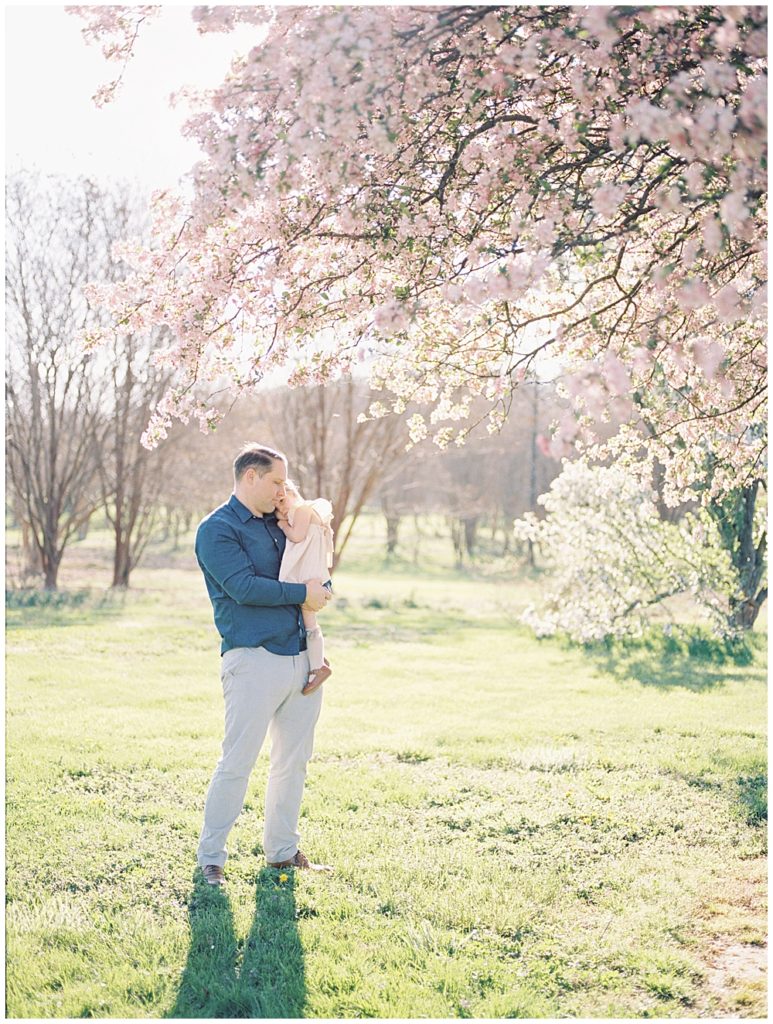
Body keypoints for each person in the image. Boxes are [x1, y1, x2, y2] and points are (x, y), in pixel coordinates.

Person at [194, 443, 333, 885]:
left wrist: (321, 588)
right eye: (275, 481)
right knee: (237, 762)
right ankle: (211, 857)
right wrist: (303, 594)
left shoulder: (281, 522)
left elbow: (304, 567)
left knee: (293, 763)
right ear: (249, 477)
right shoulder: (217, 529)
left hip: (301, 659)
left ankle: (282, 852)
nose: (281, 490)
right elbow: (243, 587)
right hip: (252, 660)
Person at [275, 481, 334, 697]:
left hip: (314, 580)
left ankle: (318, 667)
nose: (281, 509)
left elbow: (297, 536)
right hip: (313, 578)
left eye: (282, 501)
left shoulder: (302, 509)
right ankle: (316, 658)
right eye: (276, 506)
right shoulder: (301, 512)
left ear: (291, 492)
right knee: (308, 623)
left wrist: (282, 525)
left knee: (310, 625)